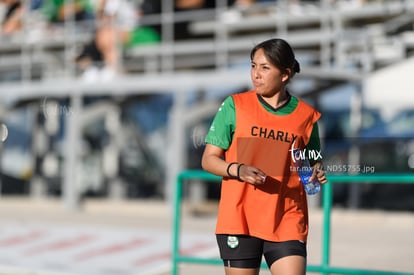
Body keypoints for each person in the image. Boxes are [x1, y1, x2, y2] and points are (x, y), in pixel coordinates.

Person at [201, 38, 328, 275]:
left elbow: (313, 161)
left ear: (285, 74)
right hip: (240, 218)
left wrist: (316, 171)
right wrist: (238, 170)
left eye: (265, 67)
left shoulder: (306, 116)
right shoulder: (235, 105)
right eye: (253, 65)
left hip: (287, 217)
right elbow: (209, 159)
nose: (256, 74)